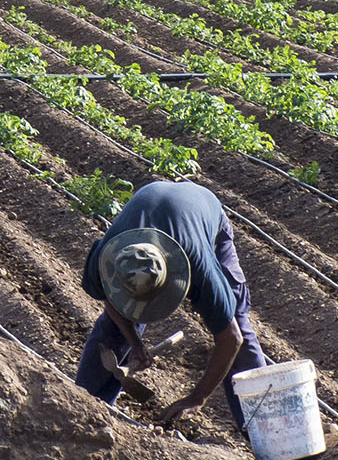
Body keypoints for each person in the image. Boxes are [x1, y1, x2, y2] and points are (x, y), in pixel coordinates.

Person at [75, 180, 270, 427]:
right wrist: (135, 342)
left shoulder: (199, 266)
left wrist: (197, 397)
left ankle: (261, 423)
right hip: (153, 200)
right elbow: (110, 300)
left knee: (236, 318)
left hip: (203, 209)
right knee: (114, 330)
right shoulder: (106, 259)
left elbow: (231, 338)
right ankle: (84, 406)